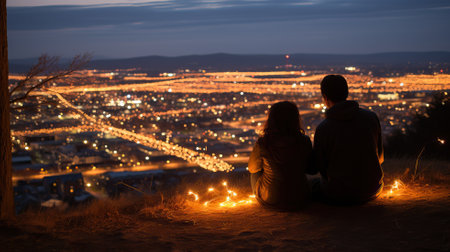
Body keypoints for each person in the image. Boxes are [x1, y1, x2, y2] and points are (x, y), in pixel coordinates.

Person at [312, 75, 384, 204]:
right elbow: (380, 157)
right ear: (347, 92)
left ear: (325, 97)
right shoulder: (371, 118)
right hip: (373, 188)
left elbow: (320, 168)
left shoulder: (324, 128)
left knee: (310, 185)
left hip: (340, 194)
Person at [248, 101, 313, 210]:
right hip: (299, 198)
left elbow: (252, 168)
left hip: (271, 200)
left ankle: (267, 193)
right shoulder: (304, 141)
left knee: (255, 171)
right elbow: (312, 169)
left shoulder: (264, 143)